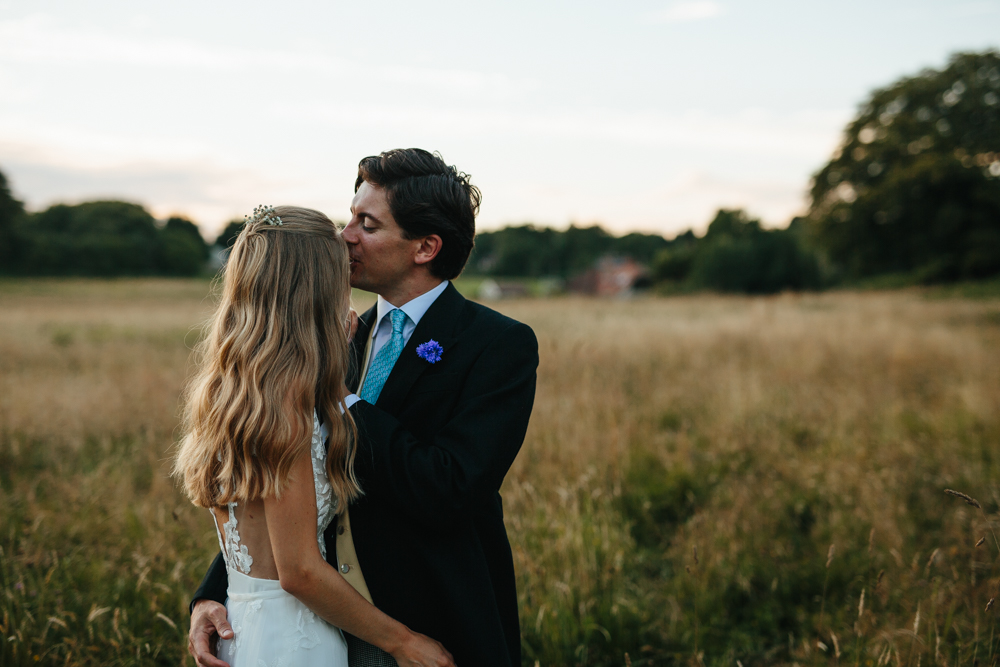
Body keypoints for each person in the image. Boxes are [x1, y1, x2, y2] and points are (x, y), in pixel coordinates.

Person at [189, 149, 539, 666]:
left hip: (429, 627)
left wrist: (342, 400)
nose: (344, 234)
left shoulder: (496, 345)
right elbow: (280, 486)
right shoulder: (325, 341)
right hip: (319, 625)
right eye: (350, 215)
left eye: (367, 224)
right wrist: (214, 593)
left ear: (425, 247)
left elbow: (451, 488)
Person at [175, 205, 455, 667]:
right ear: (316, 289)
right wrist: (404, 642)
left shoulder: (231, 390)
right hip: (296, 642)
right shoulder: (288, 411)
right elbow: (300, 571)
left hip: (245, 631)